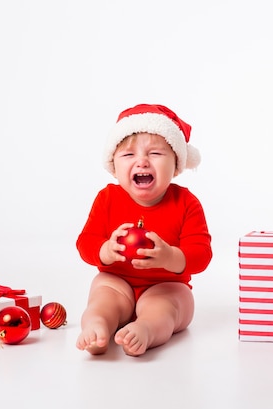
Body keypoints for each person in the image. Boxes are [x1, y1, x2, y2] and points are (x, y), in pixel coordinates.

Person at [75, 104, 213, 356]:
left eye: (156, 153)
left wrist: (170, 257)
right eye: (128, 156)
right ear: (114, 166)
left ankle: (147, 329)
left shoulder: (186, 202)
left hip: (166, 284)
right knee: (103, 297)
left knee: (168, 307)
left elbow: (202, 254)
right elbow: (86, 241)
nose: (142, 161)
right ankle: (98, 325)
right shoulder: (107, 198)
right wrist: (105, 250)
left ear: (176, 165)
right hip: (117, 280)